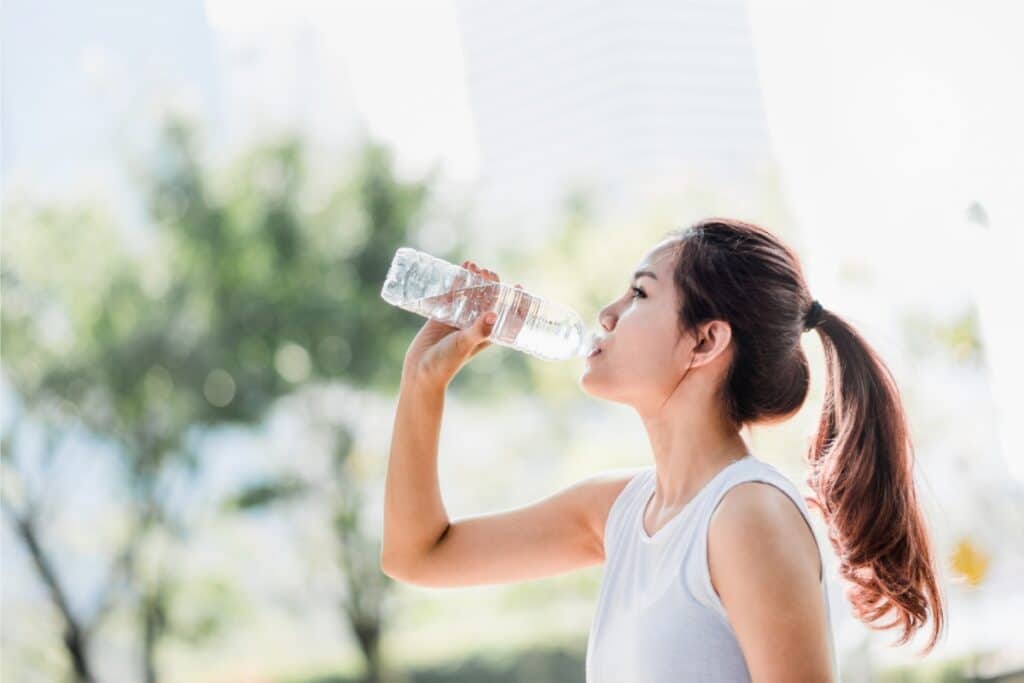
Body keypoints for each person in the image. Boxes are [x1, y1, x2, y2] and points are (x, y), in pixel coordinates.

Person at [381, 217, 946, 682]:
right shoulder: (619, 511)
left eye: (640, 293)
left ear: (705, 341)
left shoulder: (747, 516)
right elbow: (418, 555)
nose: (606, 313)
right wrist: (422, 382)